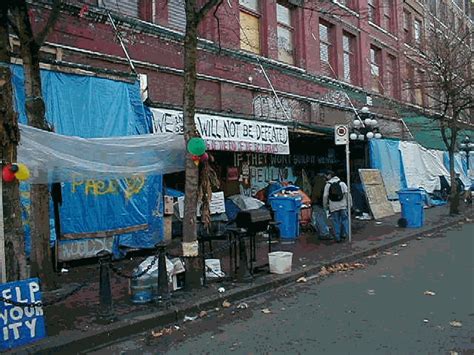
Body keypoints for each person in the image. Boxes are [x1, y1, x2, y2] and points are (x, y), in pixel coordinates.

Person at [323, 171, 350, 243]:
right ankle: (345, 234)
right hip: (343, 205)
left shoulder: (328, 185)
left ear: (330, 176)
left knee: (335, 221)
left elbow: (325, 196)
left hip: (333, 206)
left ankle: (337, 237)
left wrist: (325, 205)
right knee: (344, 219)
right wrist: (349, 204)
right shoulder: (342, 183)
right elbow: (347, 194)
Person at [311, 172, 331, 239]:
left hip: (315, 202)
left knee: (318, 217)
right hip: (320, 203)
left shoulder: (315, 183)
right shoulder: (324, 184)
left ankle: (321, 230)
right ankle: (324, 233)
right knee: (322, 217)